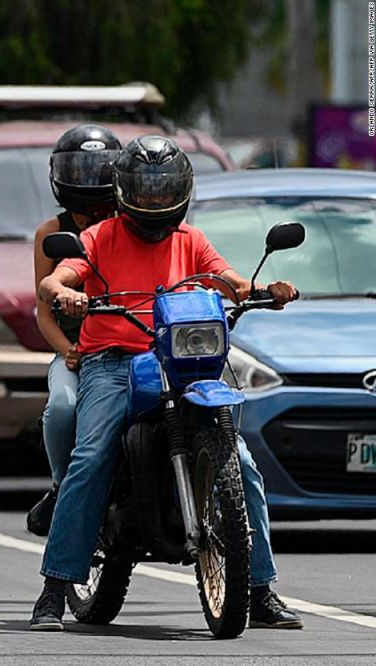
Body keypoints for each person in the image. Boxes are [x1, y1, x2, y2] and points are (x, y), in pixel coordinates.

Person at [29, 136, 303, 632]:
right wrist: (63, 292)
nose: (156, 200)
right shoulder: (100, 237)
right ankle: (53, 588)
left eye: (164, 190)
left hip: (182, 361)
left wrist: (264, 290)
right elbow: (60, 277)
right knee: (91, 457)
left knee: (240, 462)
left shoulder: (191, 240)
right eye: (145, 190)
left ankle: (259, 590)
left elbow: (228, 279)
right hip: (113, 360)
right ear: (124, 190)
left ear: (182, 190)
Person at [26, 124, 123, 537]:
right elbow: (43, 312)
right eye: (79, 169)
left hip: (127, 346)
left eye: (99, 168)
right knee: (63, 407)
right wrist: (69, 350)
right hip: (78, 352)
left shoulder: (129, 225)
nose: (89, 179)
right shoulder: (51, 233)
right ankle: (62, 486)